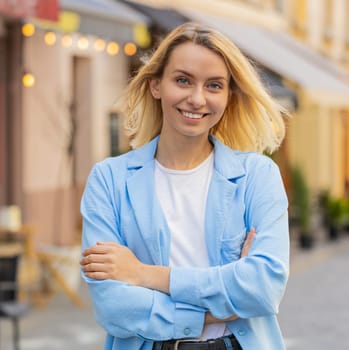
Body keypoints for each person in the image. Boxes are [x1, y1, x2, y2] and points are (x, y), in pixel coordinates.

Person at [79, 22, 290, 350]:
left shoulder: (258, 176)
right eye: (183, 80)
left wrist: (145, 275)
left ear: (228, 95)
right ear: (155, 86)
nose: (197, 98)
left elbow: (263, 289)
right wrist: (223, 305)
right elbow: (114, 308)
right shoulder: (109, 180)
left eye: (214, 86)